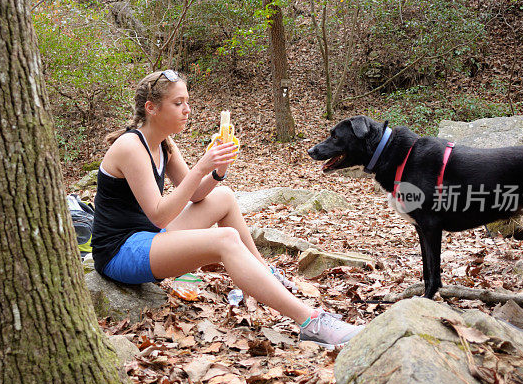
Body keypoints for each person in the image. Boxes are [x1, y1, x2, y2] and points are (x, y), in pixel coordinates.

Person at [92, 69, 363, 349]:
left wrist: (218, 171)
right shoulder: (130, 146)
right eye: (178, 103)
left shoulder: (163, 144)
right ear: (152, 108)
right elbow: (159, 213)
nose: (187, 110)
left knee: (224, 197)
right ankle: (311, 322)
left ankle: (262, 272)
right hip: (119, 251)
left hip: (149, 236)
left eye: (187, 101)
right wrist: (201, 167)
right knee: (226, 240)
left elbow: (196, 193)